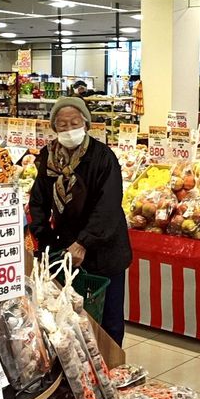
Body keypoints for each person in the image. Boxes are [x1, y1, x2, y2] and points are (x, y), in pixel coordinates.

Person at [28, 97, 132, 345]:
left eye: (74, 123)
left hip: (105, 247)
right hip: (66, 248)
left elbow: (108, 205)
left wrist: (84, 242)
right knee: (69, 316)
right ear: (54, 128)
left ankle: (111, 368)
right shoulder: (47, 157)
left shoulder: (103, 157)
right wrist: (44, 240)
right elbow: (39, 200)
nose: (69, 129)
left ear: (86, 123)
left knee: (109, 318)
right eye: (62, 125)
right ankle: (80, 371)